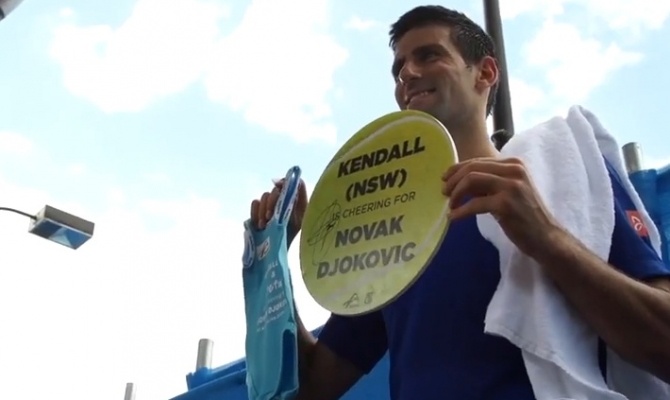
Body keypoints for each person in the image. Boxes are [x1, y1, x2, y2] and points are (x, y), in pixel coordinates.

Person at [249, 5, 670, 400]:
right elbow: (312, 387)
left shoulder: (564, 173)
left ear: (485, 72)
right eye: (398, 68)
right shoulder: (388, 224)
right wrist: (272, 265)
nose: (407, 74)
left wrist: (547, 237)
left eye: (429, 55)